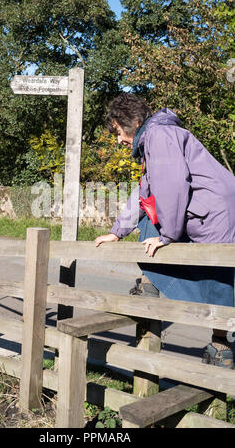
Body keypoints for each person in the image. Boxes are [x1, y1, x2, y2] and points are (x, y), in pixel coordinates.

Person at [95, 93, 235, 369]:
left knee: (218, 276)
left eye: (119, 132)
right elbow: (144, 192)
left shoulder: (159, 136)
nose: (119, 140)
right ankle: (151, 283)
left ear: (134, 123)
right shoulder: (158, 137)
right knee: (219, 275)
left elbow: (171, 188)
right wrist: (117, 231)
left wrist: (167, 234)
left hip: (215, 212)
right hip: (215, 207)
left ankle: (221, 349)